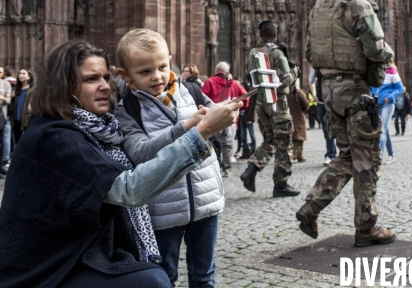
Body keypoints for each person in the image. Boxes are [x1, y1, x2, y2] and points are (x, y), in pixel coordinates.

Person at [0, 40, 239, 288]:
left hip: (80, 250)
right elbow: (128, 189)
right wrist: (200, 134)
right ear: (63, 85)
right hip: (48, 266)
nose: (105, 86)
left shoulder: (101, 129)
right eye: (91, 79)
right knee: (153, 281)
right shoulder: (54, 137)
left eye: (105, 77)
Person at [113, 29, 241, 288]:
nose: (157, 76)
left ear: (170, 59)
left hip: (205, 201)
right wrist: (186, 128)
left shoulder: (192, 92)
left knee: (204, 275)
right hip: (163, 210)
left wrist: (227, 118)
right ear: (126, 76)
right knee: (165, 276)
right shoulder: (127, 110)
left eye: (162, 66)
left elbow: (224, 135)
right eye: (145, 71)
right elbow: (141, 153)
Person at [296, 0, 396, 247]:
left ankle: (311, 206)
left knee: (346, 156)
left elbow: (310, 53)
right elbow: (377, 50)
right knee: (367, 159)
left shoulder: (317, 8)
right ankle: (366, 227)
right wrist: (385, 54)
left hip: (328, 90)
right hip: (355, 91)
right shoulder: (357, 3)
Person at [240, 20, 300, 198]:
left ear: (260, 34)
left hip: (261, 103)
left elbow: (249, 78)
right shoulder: (276, 53)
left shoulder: (252, 53)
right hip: (277, 103)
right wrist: (296, 71)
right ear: (275, 34)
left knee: (270, 141)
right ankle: (281, 184)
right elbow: (283, 81)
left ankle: (251, 169)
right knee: (284, 143)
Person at [201, 61, 249, 177]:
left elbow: (202, 98)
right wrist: (238, 109)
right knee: (227, 145)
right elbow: (246, 99)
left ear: (217, 70)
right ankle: (227, 169)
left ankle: (215, 168)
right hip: (230, 119)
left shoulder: (210, 81)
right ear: (227, 72)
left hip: (213, 117)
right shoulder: (235, 84)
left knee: (213, 143)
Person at [371, 59, 403, 163]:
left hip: (387, 103)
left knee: (382, 129)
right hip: (377, 103)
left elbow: (400, 88)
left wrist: (390, 96)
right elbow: (373, 87)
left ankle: (379, 156)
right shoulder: (376, 71)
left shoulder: (391, 71)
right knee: (385, 129)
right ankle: (392, 155)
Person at [309, 67, 337, 165]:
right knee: (326, 129)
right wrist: (314, 95)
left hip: (334, 101)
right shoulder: (315, 65)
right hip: (321, 101)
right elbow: (311, 80)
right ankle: (331, 155)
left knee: (338, 128)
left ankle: (340, 155)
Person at [287, 81, 309, 162]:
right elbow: (306, 105)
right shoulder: (299, 92)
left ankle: (292, 154)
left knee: (291, 138)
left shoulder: (285, 93)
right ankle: (299, 155)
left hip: (288, 117)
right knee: (299, 139)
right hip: (299, 118)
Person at [12, 68, 34, 143]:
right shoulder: (16, 89)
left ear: (29, 76)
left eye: (24, 74)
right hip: (16, 120)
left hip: (26, 119)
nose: (21, 75)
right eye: (20, 73)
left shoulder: (33, 90)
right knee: (17, 141)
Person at [0, 66, 11, 175]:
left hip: (1, 116)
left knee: (2, 141)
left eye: (0, 72)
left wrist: (1, 97)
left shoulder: (5, 84)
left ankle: (2, 164)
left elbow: (8, 100)